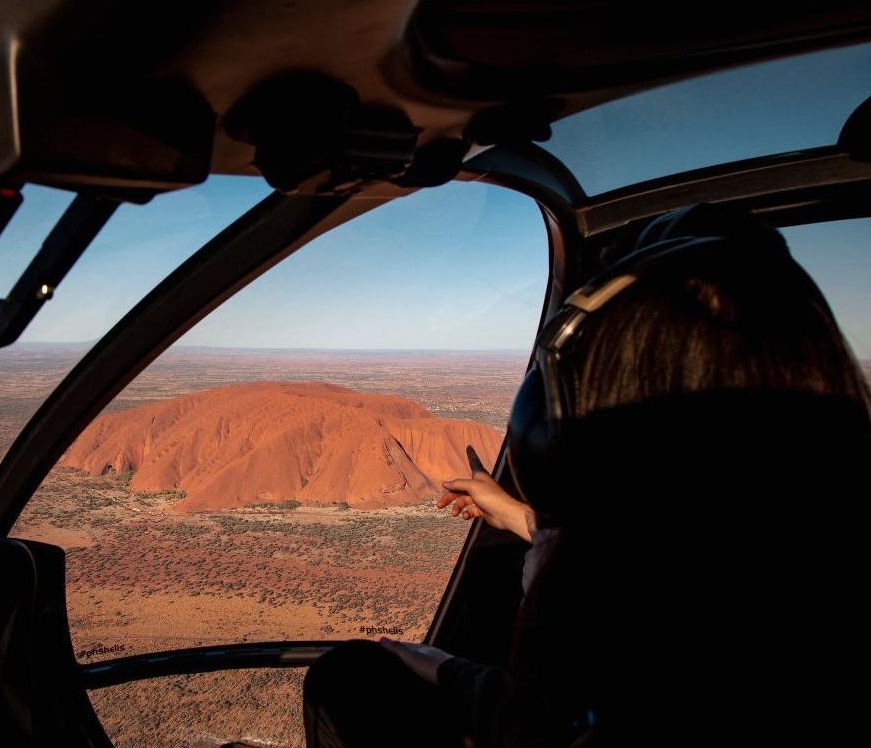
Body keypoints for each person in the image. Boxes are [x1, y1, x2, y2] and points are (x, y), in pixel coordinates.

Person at [302, 202, 871, 747]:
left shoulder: (663, 664)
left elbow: (563, 722)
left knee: (349, 683)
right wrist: (518, 522)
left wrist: (458, 677)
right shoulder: (799, 582)